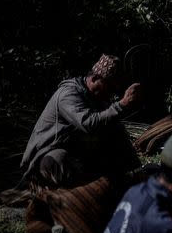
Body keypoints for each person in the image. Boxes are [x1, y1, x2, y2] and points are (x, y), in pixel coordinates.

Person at [20, 54, 142, 189]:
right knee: (59, 159)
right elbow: (88, 124)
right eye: (108, 87)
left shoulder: (97, 96)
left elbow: (111, 125)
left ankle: (131, 175)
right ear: (95, 78)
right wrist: (121, 105)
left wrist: (135, 168)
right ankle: (81, 193)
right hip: (49, 153)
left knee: (115, 128)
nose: (110, 93)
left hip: (78, 151)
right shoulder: (68, 94)